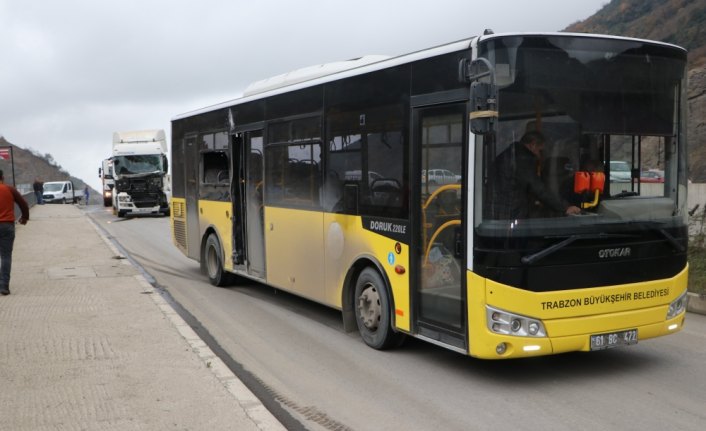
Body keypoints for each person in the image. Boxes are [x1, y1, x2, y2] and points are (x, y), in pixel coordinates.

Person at [491, 131, 581, 220]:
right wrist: (565, 207)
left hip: (498, 211)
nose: (540, 156)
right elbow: (538, 188)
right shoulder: (524, 159)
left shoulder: (507, 155)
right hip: (512, 212)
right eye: (540, 151)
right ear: (533, 145)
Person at [0, 169, 29, 295]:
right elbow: (23, 204)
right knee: (6, 256)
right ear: (2, 177)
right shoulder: (9, 189)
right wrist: (24, 218)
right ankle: (4, 286)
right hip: (7, 225)